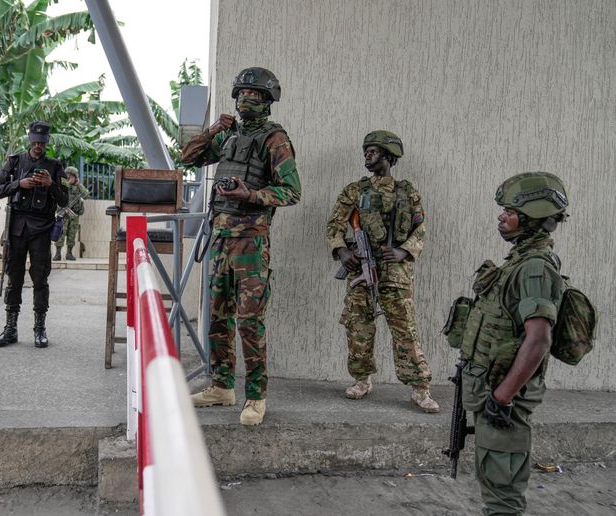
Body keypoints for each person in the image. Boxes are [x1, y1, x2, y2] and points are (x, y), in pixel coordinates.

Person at [181, 67, 301, 426]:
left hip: (251, 243)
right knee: (217, 317)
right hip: (220, 239)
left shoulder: (274, 139)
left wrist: (250, 193)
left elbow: (292, 191)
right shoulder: (229, 138)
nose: (245, 100)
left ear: (267, 101)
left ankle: (255, 396)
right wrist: (213, 131)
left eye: (253, 95)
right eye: (241, 93)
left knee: (250, 322)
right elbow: (187, 158)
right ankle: (221, 387)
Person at [457, 172, 569, 514]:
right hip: (494, 392)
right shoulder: (521, 262)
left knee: (503, 495)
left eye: (510, 211)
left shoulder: (534, 269)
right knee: (494, 483)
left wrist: (502, 397)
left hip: (504, 399)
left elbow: (538, 340)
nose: (501, 216)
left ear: (532, 219)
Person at [326, 131, 439, 413]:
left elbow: (420, 228)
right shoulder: (355, 190)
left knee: (405, 329)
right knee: (358, 327)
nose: (367, 155)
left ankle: (420, 387)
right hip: (361, 266)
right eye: (366, 151)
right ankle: (362, 379)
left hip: (396, 271)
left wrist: (404, 251)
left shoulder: (407, 191)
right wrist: (343, 251)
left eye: (374, 151)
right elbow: (334, 225)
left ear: (389, 156)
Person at [0, 121, 69, 348]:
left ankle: (39, 329)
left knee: (40, 279)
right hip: (16, 229)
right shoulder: (15, 162)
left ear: (46, 143)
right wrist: (19, 183)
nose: (38, 146)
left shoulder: (55, 166)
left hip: (41, 230)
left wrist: (51, 183)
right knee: (14, 279)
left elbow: (65, 199)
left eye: (42, 143)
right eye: (35, 142)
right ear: (29, 140)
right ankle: (10, 329)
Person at [53, 167, 90, 261]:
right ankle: (58, 253)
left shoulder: (78, 187)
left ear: (75, 177)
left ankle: (69, 253)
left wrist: (79, 185)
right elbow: (56, 194)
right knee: (61, 233)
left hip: (73, 214)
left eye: (71, 175)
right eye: (68, 175)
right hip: (63, 214)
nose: (69, 177)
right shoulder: (61, 185)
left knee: (72, 234)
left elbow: (86, 195)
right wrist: (67, 184)